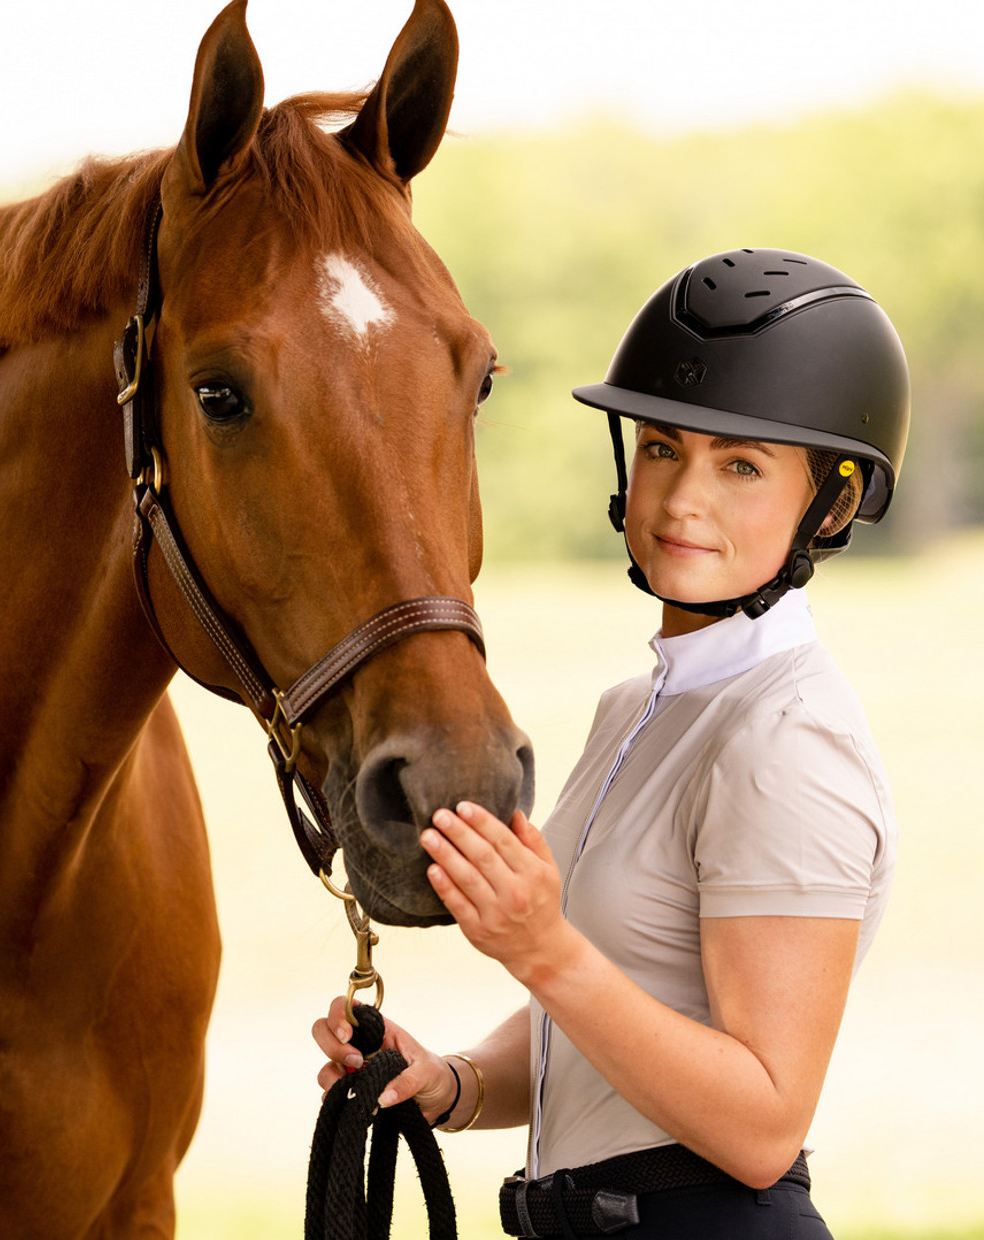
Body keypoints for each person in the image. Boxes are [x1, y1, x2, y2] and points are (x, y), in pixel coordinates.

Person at [313, 247, 910, 1239]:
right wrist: (455, 1081)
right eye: (663, 446)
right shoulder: (637, 706)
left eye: (742, 467)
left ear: (833, 503)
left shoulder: (788, 743)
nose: (681, 499)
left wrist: (543, 949)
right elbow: (615, 1009)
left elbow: (762, 1123)